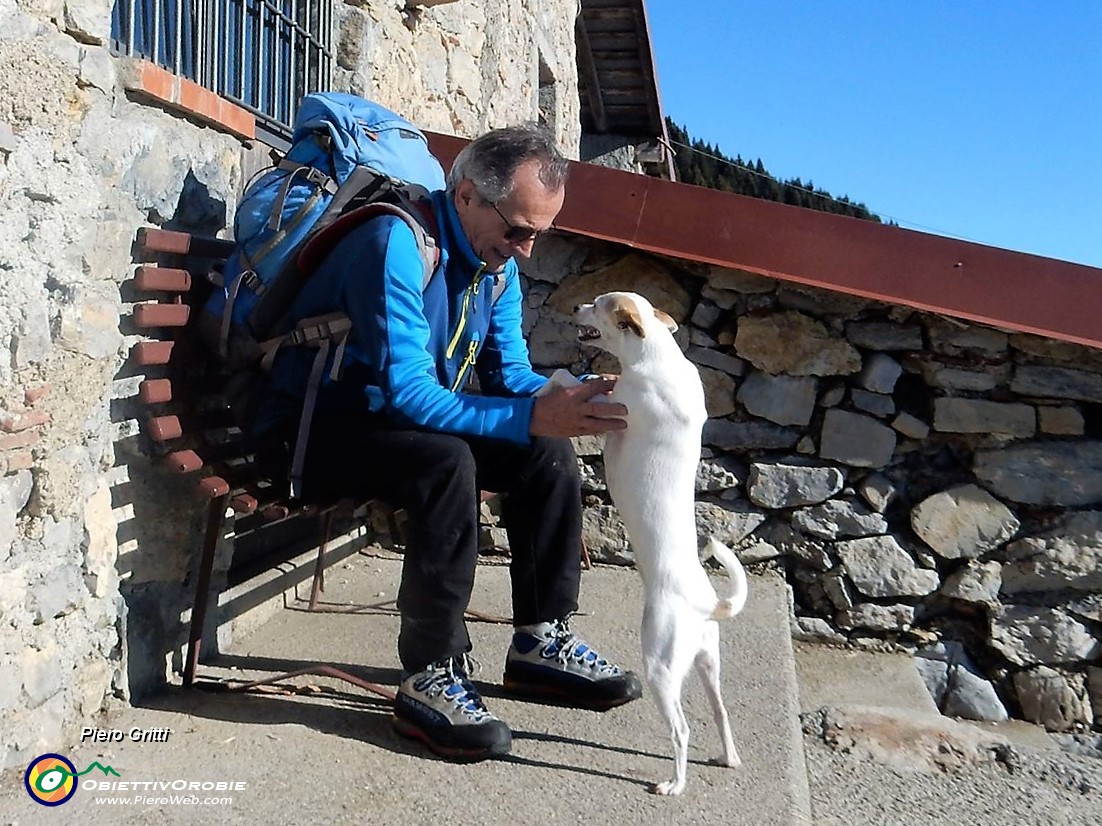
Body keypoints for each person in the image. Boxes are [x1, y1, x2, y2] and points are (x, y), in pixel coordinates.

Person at [253, 124, 642, 761]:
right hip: (311, 432)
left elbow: (509, 373)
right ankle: (429, 674)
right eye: (518, 229)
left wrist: (565, 402)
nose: (526, 250)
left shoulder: (495, 266)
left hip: (392, 425)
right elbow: (408, 391)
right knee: (446, 461)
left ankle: (540, 639)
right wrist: (531, 417)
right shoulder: (395, 243)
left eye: (539, 234)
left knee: (544, 453)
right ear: (465, 194)